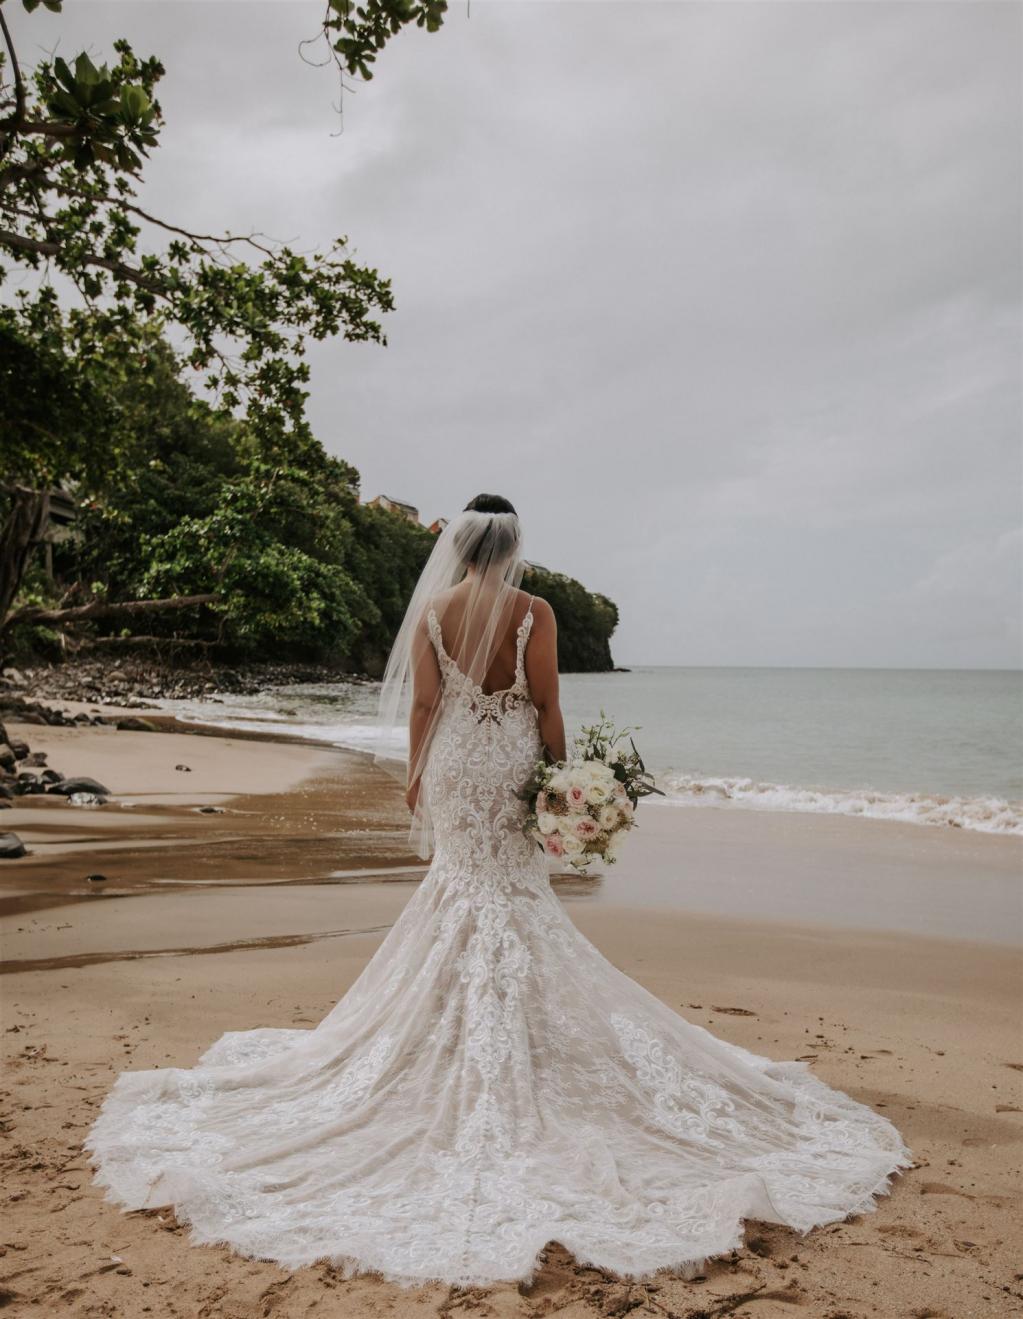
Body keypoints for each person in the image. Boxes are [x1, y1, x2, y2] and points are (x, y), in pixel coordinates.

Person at [85, 493, 912, 1287]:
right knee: (515, 897)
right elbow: (548, 702)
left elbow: (422, 705)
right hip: (508, 761)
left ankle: (450, 1036)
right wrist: (560, 779)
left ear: (458, 545)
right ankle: (505, 1037)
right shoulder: (534, 612)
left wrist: (416, 776)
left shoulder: (434, 610)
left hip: (453, 768)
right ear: (510, 548)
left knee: (460, 891)